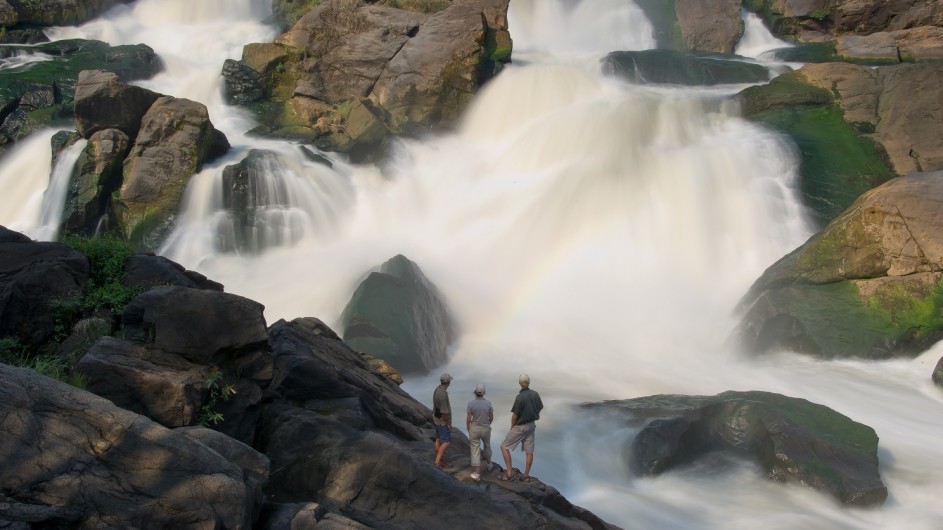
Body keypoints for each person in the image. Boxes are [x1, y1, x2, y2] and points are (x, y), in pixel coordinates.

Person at [500, 373, 543, 482]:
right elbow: (540, 407)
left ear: (520, 383)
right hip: (532, 425)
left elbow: (515, 416)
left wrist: (512, 427)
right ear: (529, 383)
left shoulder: (519, 397)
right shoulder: (535, 394)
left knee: (504, 447)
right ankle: (526, 476)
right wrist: (533, 413)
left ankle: (509, 473)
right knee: (529, 451)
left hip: (521, 426)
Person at [466, 383, 493, 481]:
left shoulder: (471, 403)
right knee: (487, 445)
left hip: (475, 428)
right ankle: (489, 464)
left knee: (475, 450)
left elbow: (469, 418)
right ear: (484, 393)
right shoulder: (488, 403)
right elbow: (491, 416)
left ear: (475, 392)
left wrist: (468, 427)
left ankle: (477, 473)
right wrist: (488, 424)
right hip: (485, 428)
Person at [432, 373, 453, 468]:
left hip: (436, 418)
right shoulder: (443, 395)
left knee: (438, 439)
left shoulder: (437, 389)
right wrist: (448, 423)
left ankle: (440, 459)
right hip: (441, 420)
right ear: (448, 382)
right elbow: (444, 412)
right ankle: (437, 462)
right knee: (446, 442)